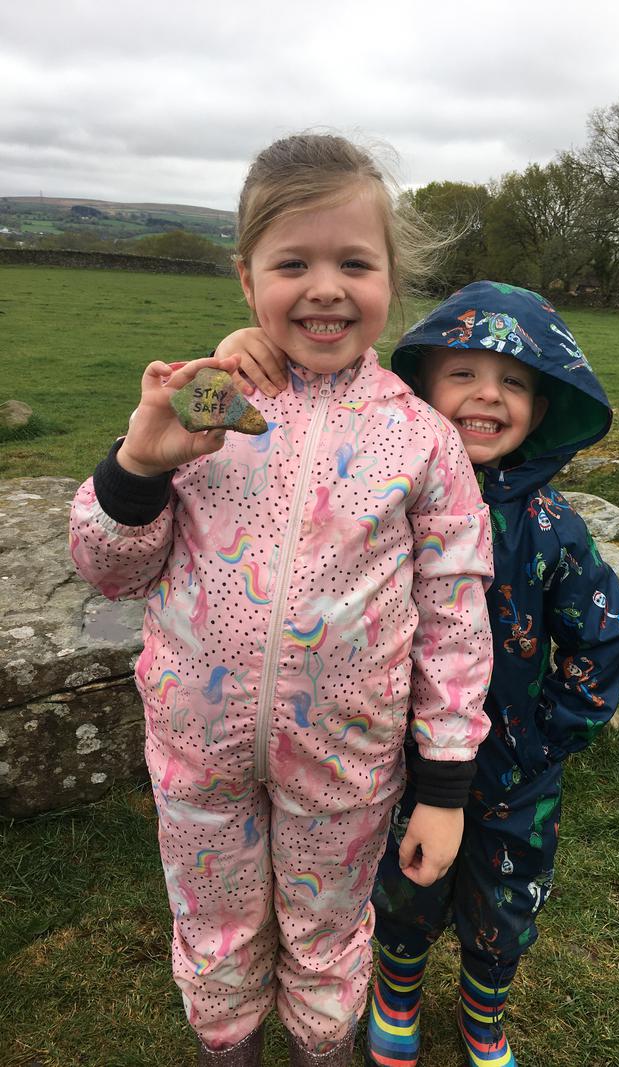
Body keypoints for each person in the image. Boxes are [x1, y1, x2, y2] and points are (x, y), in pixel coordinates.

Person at [69, 136, 495, 1067]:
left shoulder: (423, 440)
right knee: (214, 929)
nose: (326, 288)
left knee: (326, 930)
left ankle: (321, 1048)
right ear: (245, 276)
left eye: (355, 262)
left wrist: (447, 784)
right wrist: (137, 466)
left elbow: (457, 616)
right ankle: (227, 1046)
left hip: (346, 760)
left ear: (392, 277)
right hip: (196, 750)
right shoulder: (204, 404)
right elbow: (108, 567)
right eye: (293, 263)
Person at [364, 282, 619, 1067]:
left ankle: (484, 1013)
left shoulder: (555, 528)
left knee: (506, 903)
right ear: (421, 387)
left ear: (543, 408)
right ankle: (397, 992)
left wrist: (542, 740)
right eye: (465, 374)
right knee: (404, 887)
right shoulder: (390, 505)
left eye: (514, 382)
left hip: (517, 776)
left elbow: (604, 637)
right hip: (400, 760)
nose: (489, 395)